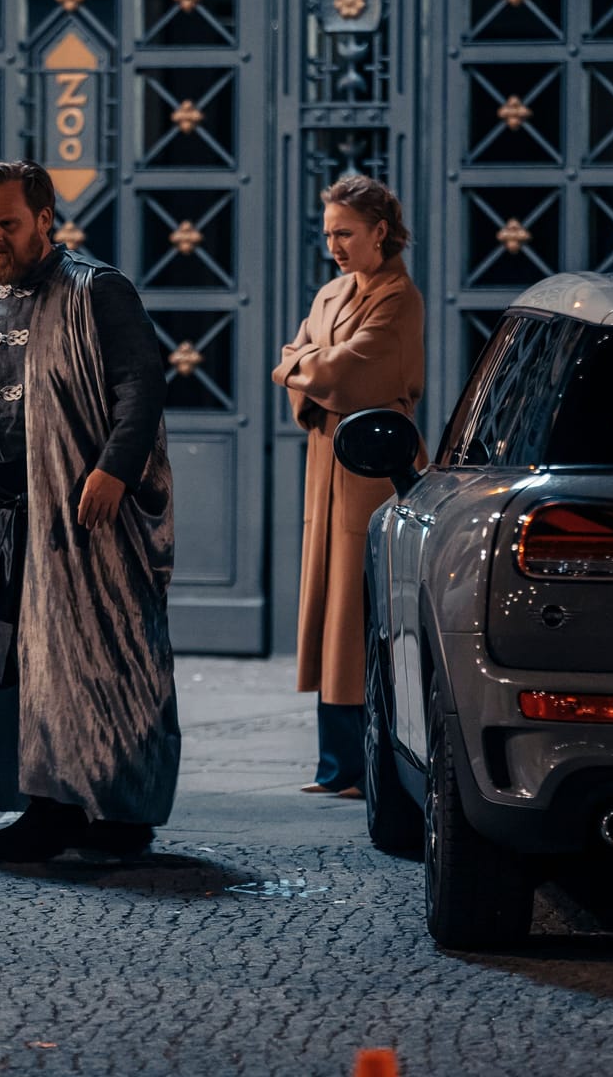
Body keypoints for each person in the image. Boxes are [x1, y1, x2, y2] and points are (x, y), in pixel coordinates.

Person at [0, 160, 179, 863]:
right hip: (4, 518)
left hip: (85, 521)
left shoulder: (98, 291)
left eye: (6, 223)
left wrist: (113, 470)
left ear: (44, 219)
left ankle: (121, 817)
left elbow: (141, 386)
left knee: (104, 661)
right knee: (20, 667)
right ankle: (48, 808)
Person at [272, 175, 425, 800]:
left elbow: (352, 370)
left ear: (379, 232)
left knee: (360, 613)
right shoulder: (332, 293)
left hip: (371, 471)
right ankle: (336, 765)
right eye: (329, 232)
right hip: (326, 467)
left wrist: (298, 367)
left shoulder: (399, 298)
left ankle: (368, 766)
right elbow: (314, 364)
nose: (333, 244)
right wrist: (308, 371)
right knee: (329, 615)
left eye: (346, 233)